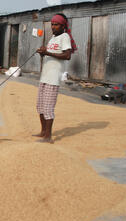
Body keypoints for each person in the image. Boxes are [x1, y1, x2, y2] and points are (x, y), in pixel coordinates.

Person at [34, 13, 76, 143]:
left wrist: (47, 52)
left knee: (48, 108)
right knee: (40, 106)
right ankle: (43, 132)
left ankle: (48, 137)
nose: (53, 26)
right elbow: (51, 55)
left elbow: (67, 56)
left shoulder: (65, 37)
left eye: (56, 24)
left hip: (53, 77)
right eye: (52, 24)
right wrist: (43, 54)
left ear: (63, 26)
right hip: (45, 76)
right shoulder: (52, 38)